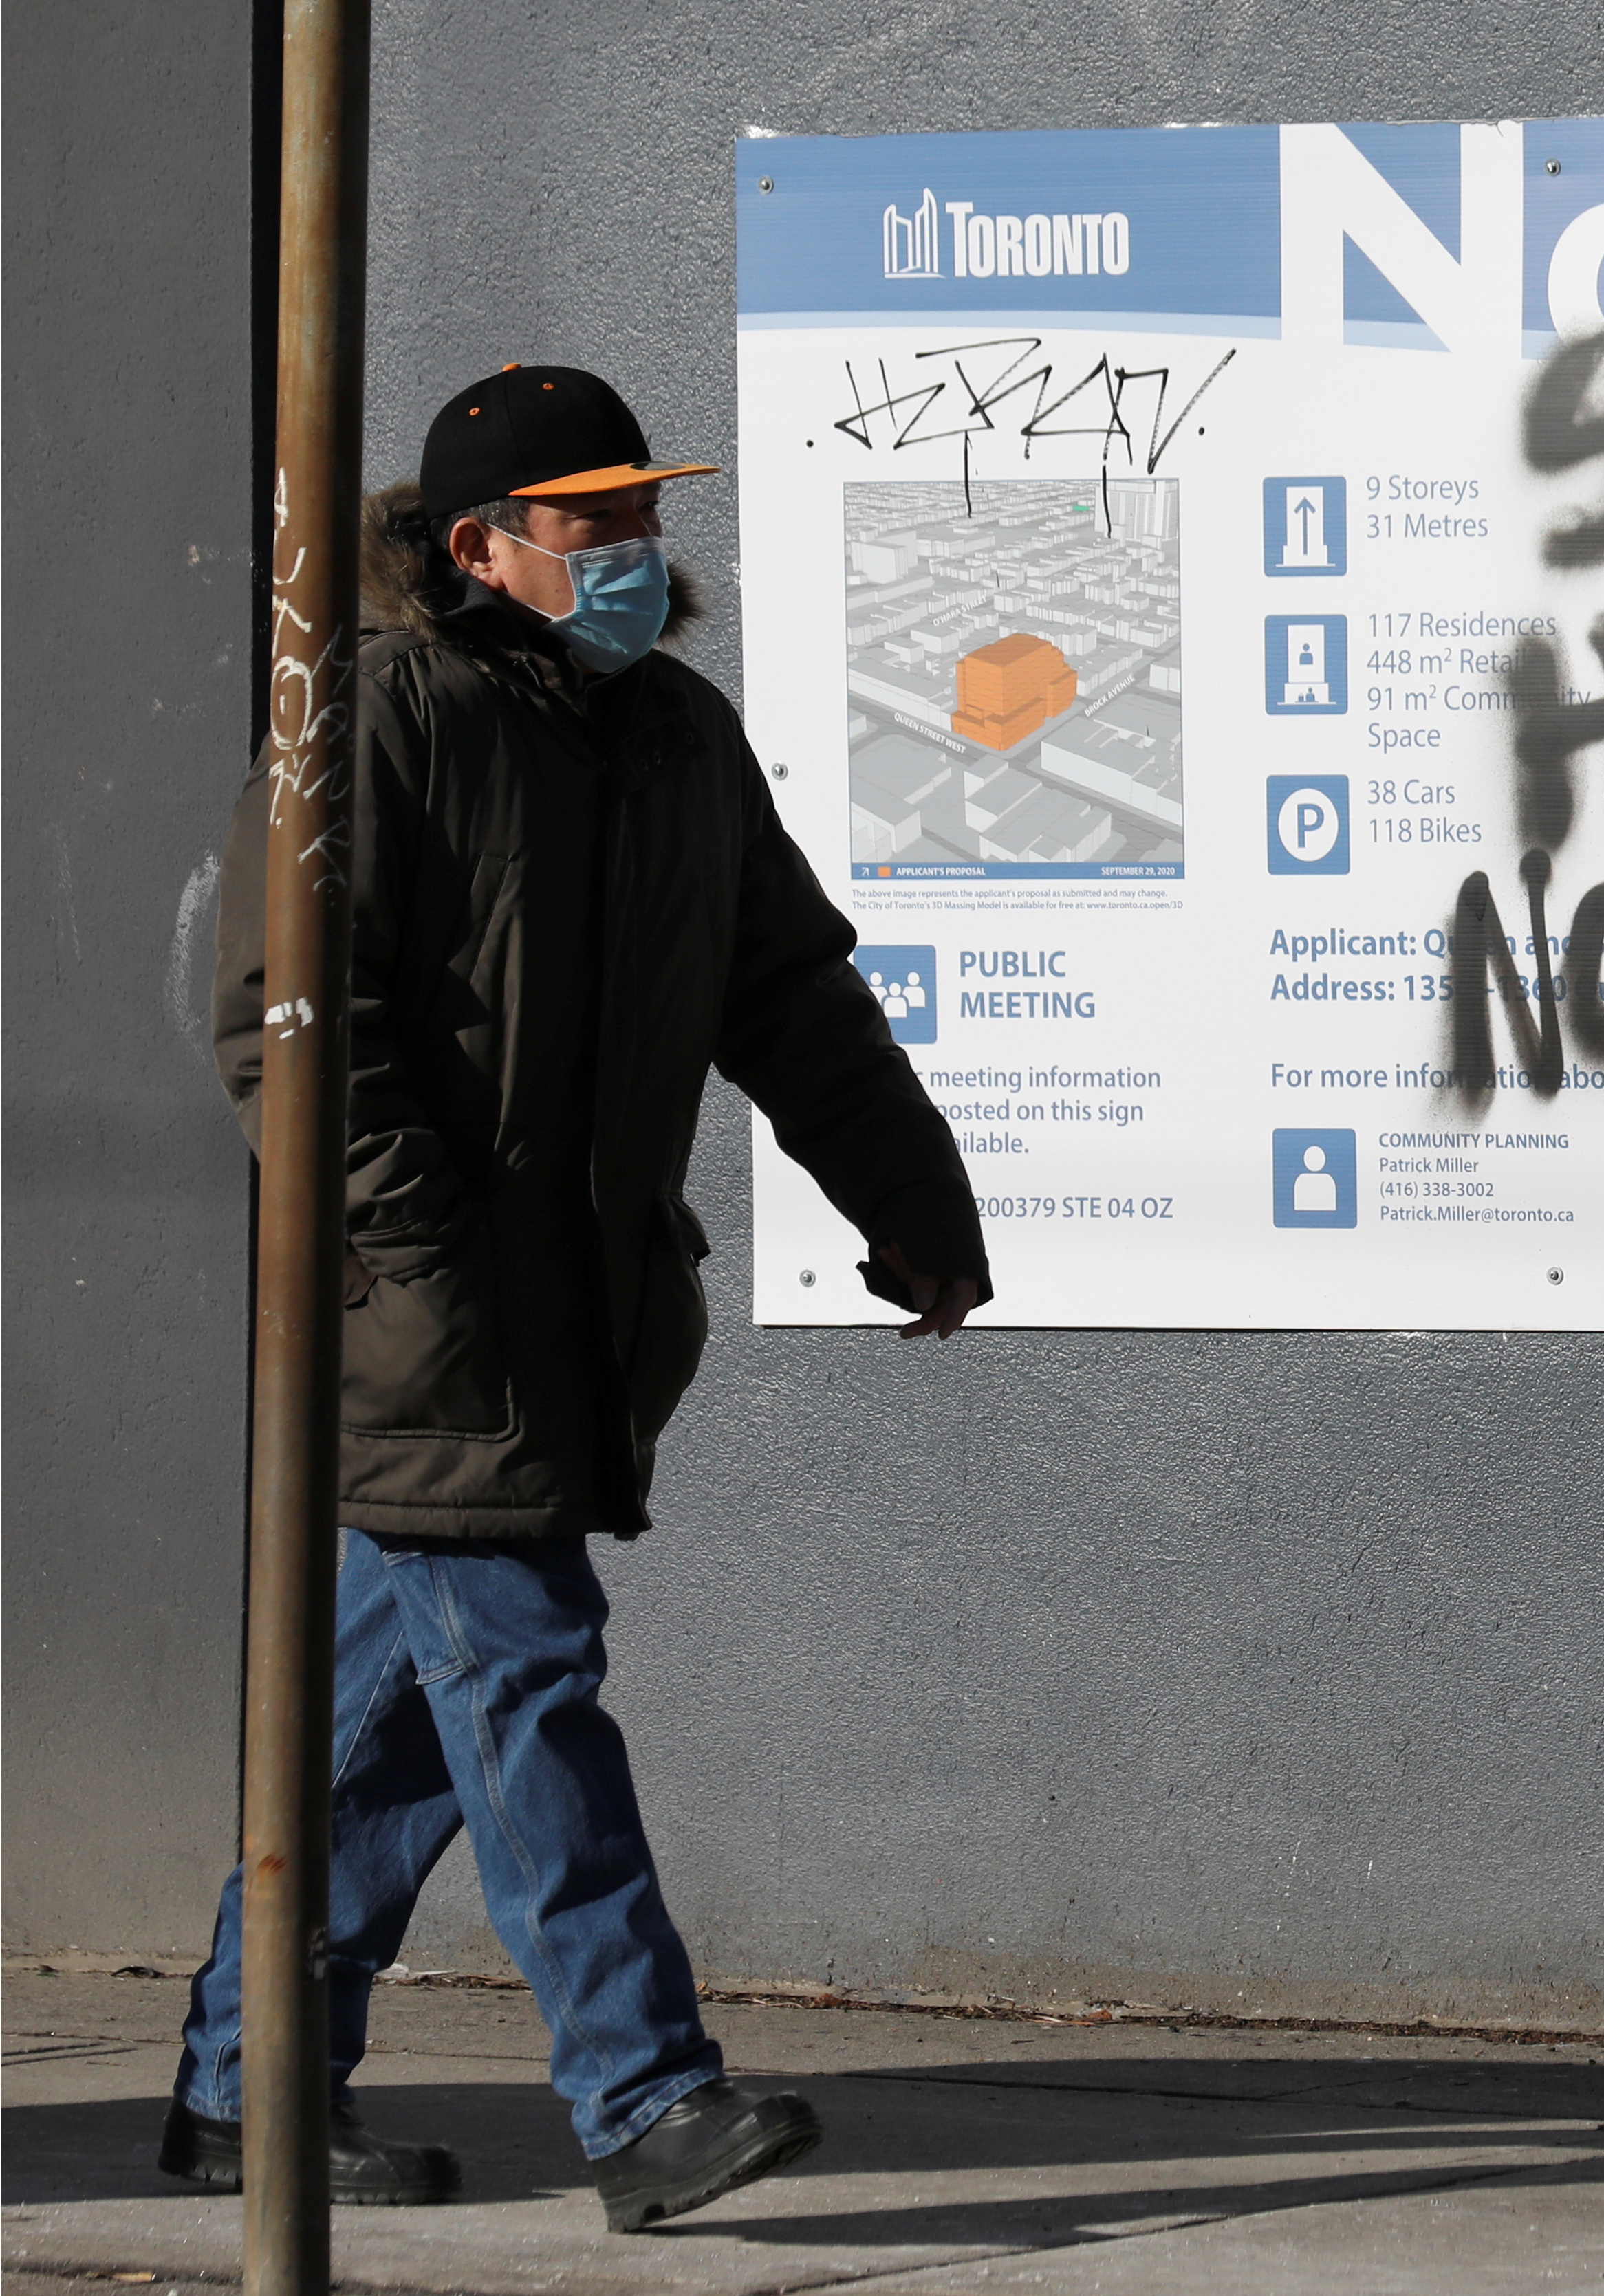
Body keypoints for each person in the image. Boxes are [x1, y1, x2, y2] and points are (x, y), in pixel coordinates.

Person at [166, 364, 990, 2232]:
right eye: (593, 518)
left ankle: (241, 2091)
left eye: (643, 510)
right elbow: (290, 1025)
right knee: (529, 1676)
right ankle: (645, 2093)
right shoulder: (383, 715)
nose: (636, 544)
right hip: (427, 1320)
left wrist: (913, 1202)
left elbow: (788, 993)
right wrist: (417, 1260)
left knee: (390, 1725)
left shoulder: (674, 733)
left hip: (578, 1312)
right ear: (481, 547)